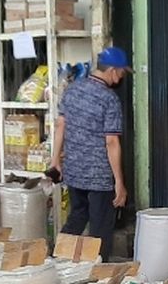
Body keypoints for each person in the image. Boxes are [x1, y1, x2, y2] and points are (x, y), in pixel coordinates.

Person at [50, 46, 131, 261]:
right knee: (100, 230)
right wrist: (119, 182)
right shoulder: (109, 99)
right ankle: (97, 271)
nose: (121, 78)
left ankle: (58, 262)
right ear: (112, 70)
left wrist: (55, 160)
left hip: (74, 171)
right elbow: (111, 142)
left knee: (77, 217)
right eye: (122, 73)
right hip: (99, 177)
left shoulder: (73, 89)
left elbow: (60, 125)